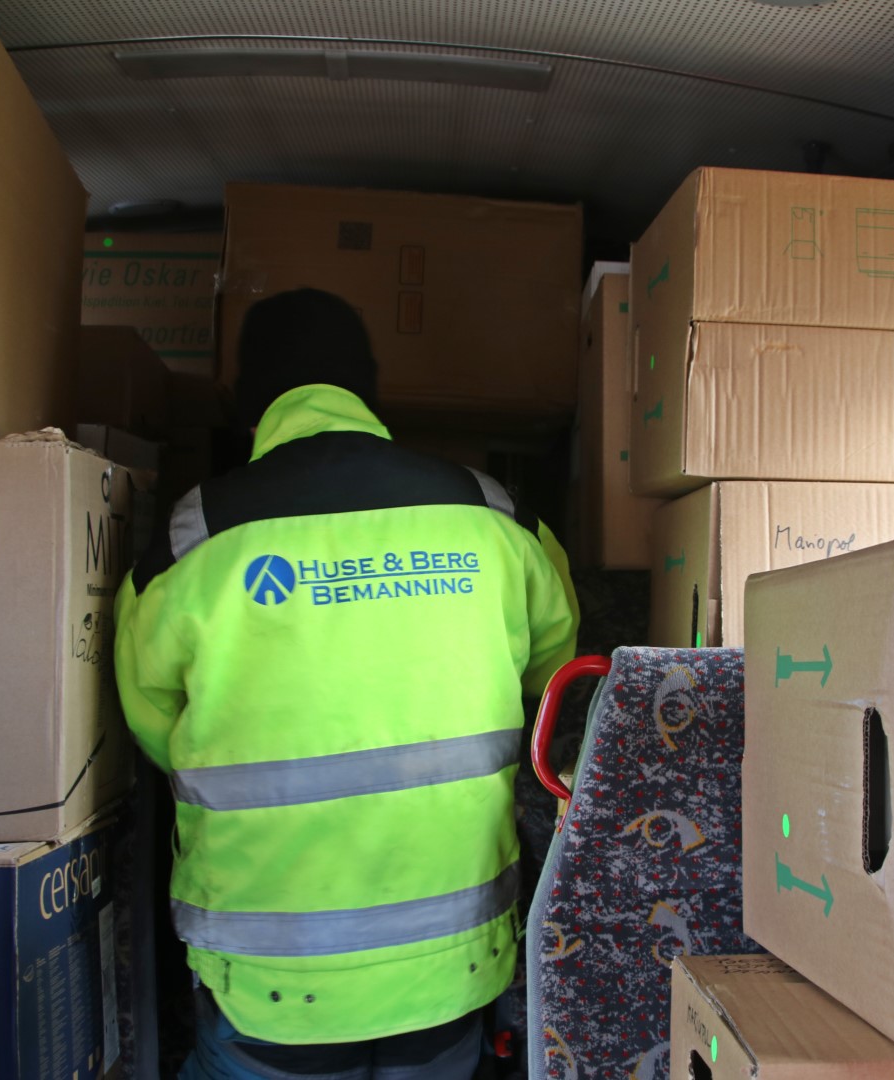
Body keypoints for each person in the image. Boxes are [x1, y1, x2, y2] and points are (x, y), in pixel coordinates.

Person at [115, 287, 580, 1079]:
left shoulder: (194, 540)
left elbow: (154, 724)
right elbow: (553, 680)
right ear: (369, 389)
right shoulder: (497, 518)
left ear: (245, 403)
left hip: (268, 980)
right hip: (454, 962)